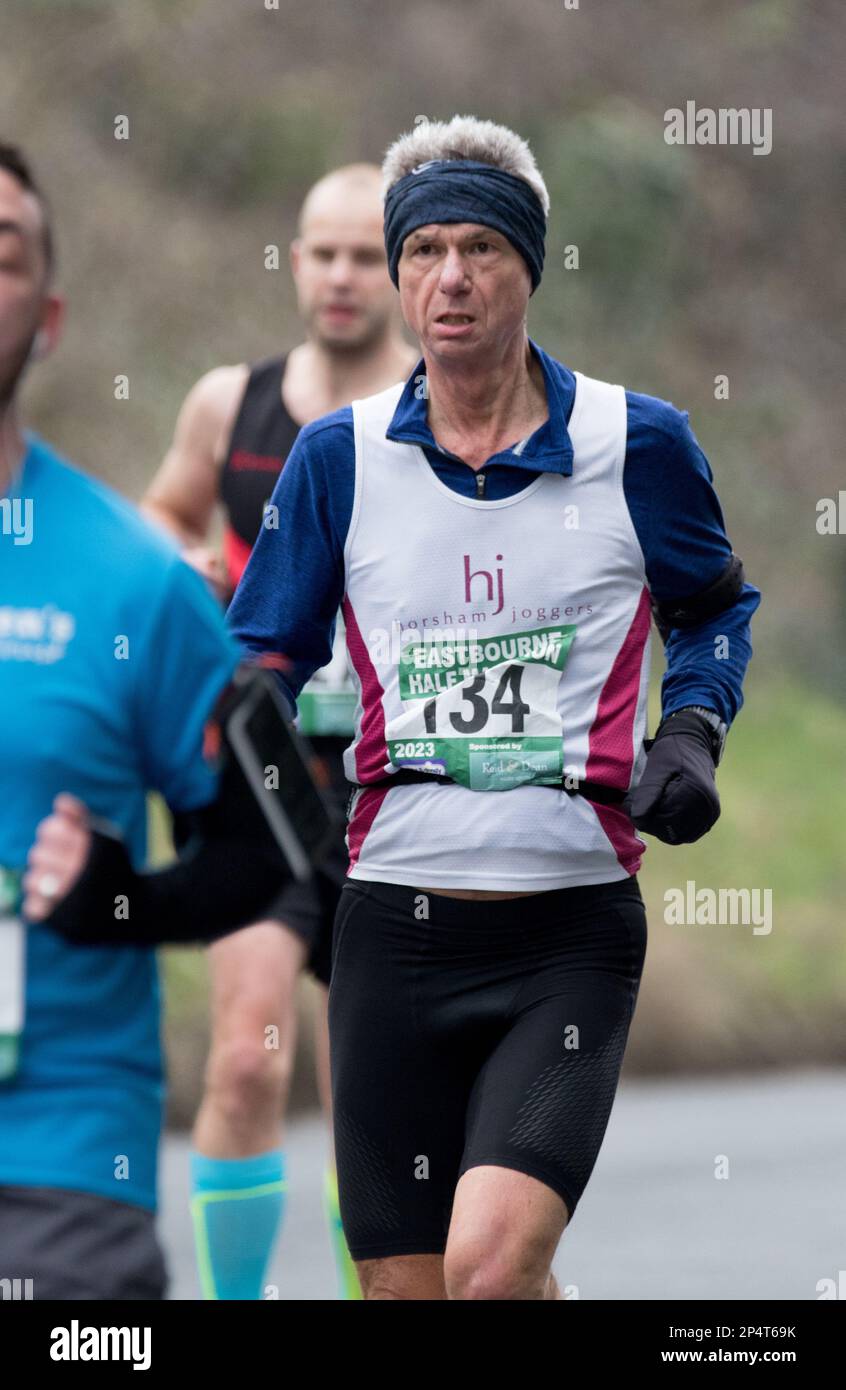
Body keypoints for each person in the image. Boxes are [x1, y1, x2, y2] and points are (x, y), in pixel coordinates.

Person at [226, 115, 762, 1300]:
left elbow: (716, 610)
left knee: (488, 1268)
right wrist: (274, 807)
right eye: (422, 252)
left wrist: (692, 729)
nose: (449, 279)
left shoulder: (640, 445)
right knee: (416, 1295)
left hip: (566, 932)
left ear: (530, 264)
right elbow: (262, 659)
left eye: (479, 248)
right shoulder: (339, 457)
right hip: (388, 929)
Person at [141, 164, 418, 1300]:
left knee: (378, 1089)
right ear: (295, 260)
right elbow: (164, 510)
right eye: (326, 252)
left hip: (398, 793)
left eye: (368, 255)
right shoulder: (229, 401)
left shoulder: (439, 407)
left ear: (401, 272)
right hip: (255, 782)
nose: (345, 276)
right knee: (247, 1054)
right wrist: (188, 560)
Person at [0, 144, 255, 1298]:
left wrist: (120, 895)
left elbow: (259, 854)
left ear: (47, 317)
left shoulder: (135, 581)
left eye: (0, 256)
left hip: (54, 1172)